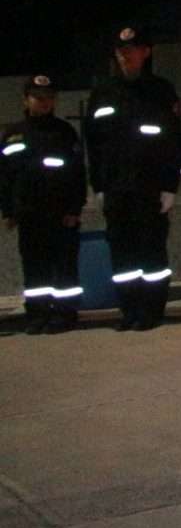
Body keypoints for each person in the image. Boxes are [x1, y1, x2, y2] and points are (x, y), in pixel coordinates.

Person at [84, 26, 181, 331]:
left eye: (133, 50)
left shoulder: (161, 92)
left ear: (146, 53)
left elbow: (172, 142)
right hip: (116, 188)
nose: (127, 56)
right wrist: (99, 186)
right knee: (123, 254)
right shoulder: (102, 93)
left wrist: (170, 186)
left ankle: (152, 310)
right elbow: (93, 143)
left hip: (151, 187)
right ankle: (129, 310)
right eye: (122, 52)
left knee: (152, 252)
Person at [3, 75, 87, 334]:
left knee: (63, 267)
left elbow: (76, 174)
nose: (44, 103)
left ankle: (65, 314)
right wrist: (8, 210)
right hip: (29, 214)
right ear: (25, 100)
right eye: (38, 98)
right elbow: (4, 177)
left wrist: (74, 209)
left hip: (60, 213)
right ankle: (38, 314)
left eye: (49, 98)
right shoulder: (12, 135)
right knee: (34, 268)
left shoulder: (63, 132)